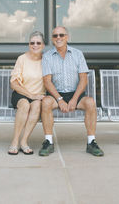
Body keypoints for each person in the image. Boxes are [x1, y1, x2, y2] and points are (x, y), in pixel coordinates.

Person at [39, 26, 104, 157]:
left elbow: (83, 79)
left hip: (76, 94)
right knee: (45, 102)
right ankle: (48, 142)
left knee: (90, 103)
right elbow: (47, 81)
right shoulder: (47, 56)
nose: (58, 38)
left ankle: (91, 143)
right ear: (52, 39)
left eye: (61, 35)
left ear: (67, 37)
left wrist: (74, 99)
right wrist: (59, 100)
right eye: (55, 36)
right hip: (56, 95)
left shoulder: (77, 54)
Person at [8, 31, 46, 155]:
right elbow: (14, 84)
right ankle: (14, 141)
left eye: (38, 43)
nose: (35, 45)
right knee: (25, 105)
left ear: (43, 45)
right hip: (21, 93)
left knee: (36, 106)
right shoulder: (22, 59)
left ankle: (24, 142)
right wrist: (30, 95)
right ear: (29, 44)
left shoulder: (47, 60)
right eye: (32, 43)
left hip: (38, 96)